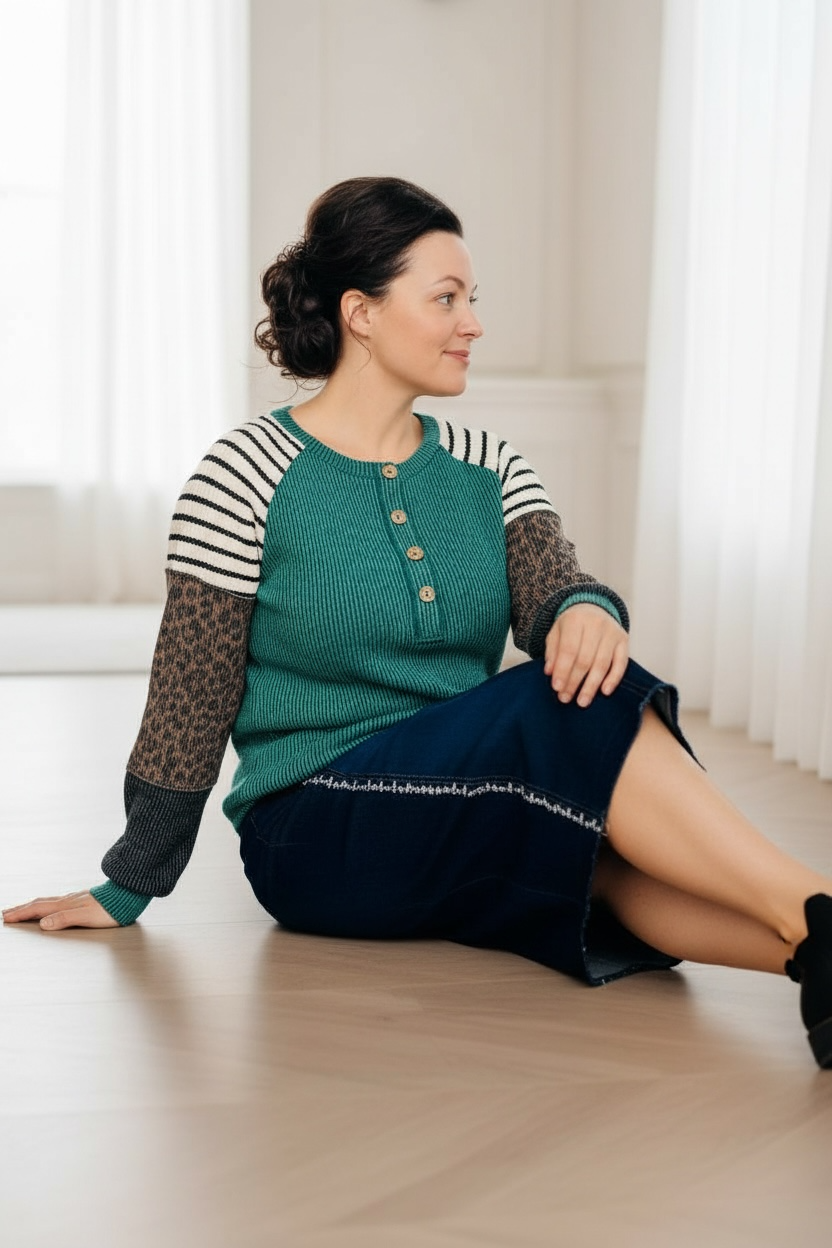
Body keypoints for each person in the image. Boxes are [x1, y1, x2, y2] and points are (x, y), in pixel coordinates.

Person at [4, 175, 832, 1068]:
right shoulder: (244, 473)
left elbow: (553, 585)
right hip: (314, 830)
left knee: (605, 862)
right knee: (556, 705)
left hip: (466, 799)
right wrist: (131, 879)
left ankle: (818, 949)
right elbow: (190, 695)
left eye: (473, 298)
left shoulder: (489, 466)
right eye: (446, 298)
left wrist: (584, 608)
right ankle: (820, 909)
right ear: (361, 313)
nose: (472, 322)